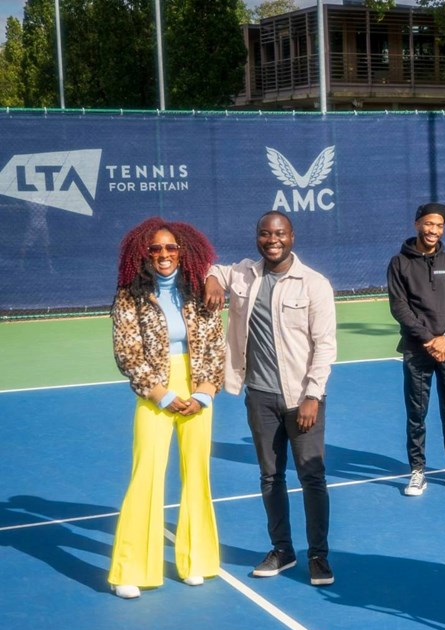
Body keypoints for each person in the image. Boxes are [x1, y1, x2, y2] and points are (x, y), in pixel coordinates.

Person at [204, 211, 338, 586]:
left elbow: (325, 346)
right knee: (270, 476)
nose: (272, 239)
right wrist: (214, 279)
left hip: (302, 400)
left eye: (279, 233)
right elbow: (211, 267)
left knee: (312, 476)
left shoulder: (314, 284)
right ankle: (283, 550)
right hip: (259, 397)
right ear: (257, 237)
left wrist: (312, 395)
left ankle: (318, 556)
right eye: (265, 233)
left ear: (292, 237)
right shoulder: (244, 274)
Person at [109, 218, 225, 599]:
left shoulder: (199, 291)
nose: (163, 255)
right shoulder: (130, 294)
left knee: (197, 475)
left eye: (171, 248)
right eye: (155, 249)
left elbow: (214, 344)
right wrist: (159, 393)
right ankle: (131, 569)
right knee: (146, 475)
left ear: (183, 251)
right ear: (143, 254)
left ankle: (197, 562)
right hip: (154, 394)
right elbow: (127, 352)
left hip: (197, 390)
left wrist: (206, 391)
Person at [387, 202, 445, 496]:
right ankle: (417, 471)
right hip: (417, 350)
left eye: (439, 226)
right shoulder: (399, 263)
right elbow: (399, 307)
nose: (433, 230)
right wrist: (429, 338)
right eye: (428, 224)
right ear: (417, 225)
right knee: (417, 412)